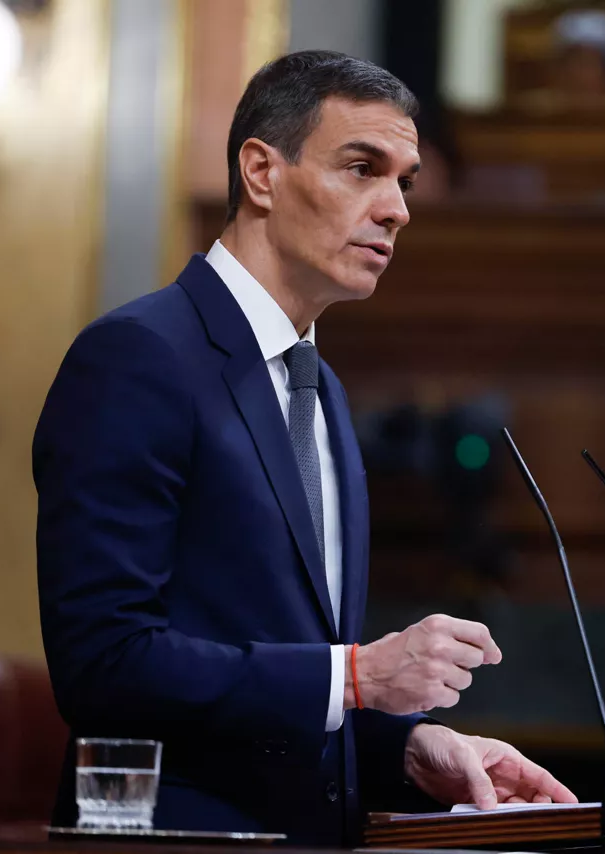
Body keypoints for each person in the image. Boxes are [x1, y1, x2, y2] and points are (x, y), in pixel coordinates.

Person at [32, 51, 577, 844]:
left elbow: (287, 679)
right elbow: (103, 662)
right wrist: (358, 675)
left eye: (405, 181)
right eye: (363, 168)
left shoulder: (318, 387)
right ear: (261, 172)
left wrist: (409, 744)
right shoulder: (138, 358)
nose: (396, 209)